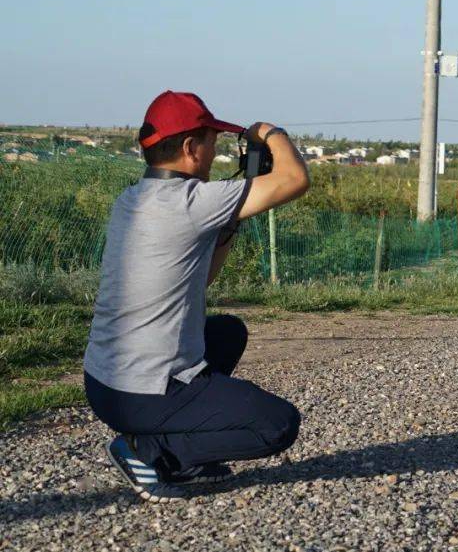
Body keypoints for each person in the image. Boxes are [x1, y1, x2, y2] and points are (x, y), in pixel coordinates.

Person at [83, 90, 311, 502]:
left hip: (104, 385)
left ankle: (180, 450)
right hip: (141, 393)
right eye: (212, 143)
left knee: (227, 332)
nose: (215, 153)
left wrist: (227, 228)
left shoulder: (131, 200)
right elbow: (295, 180)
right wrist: (270, 132)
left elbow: (202, 279)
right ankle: (151, 451)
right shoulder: (192, 201)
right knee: (277, 424)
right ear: (190, 147)